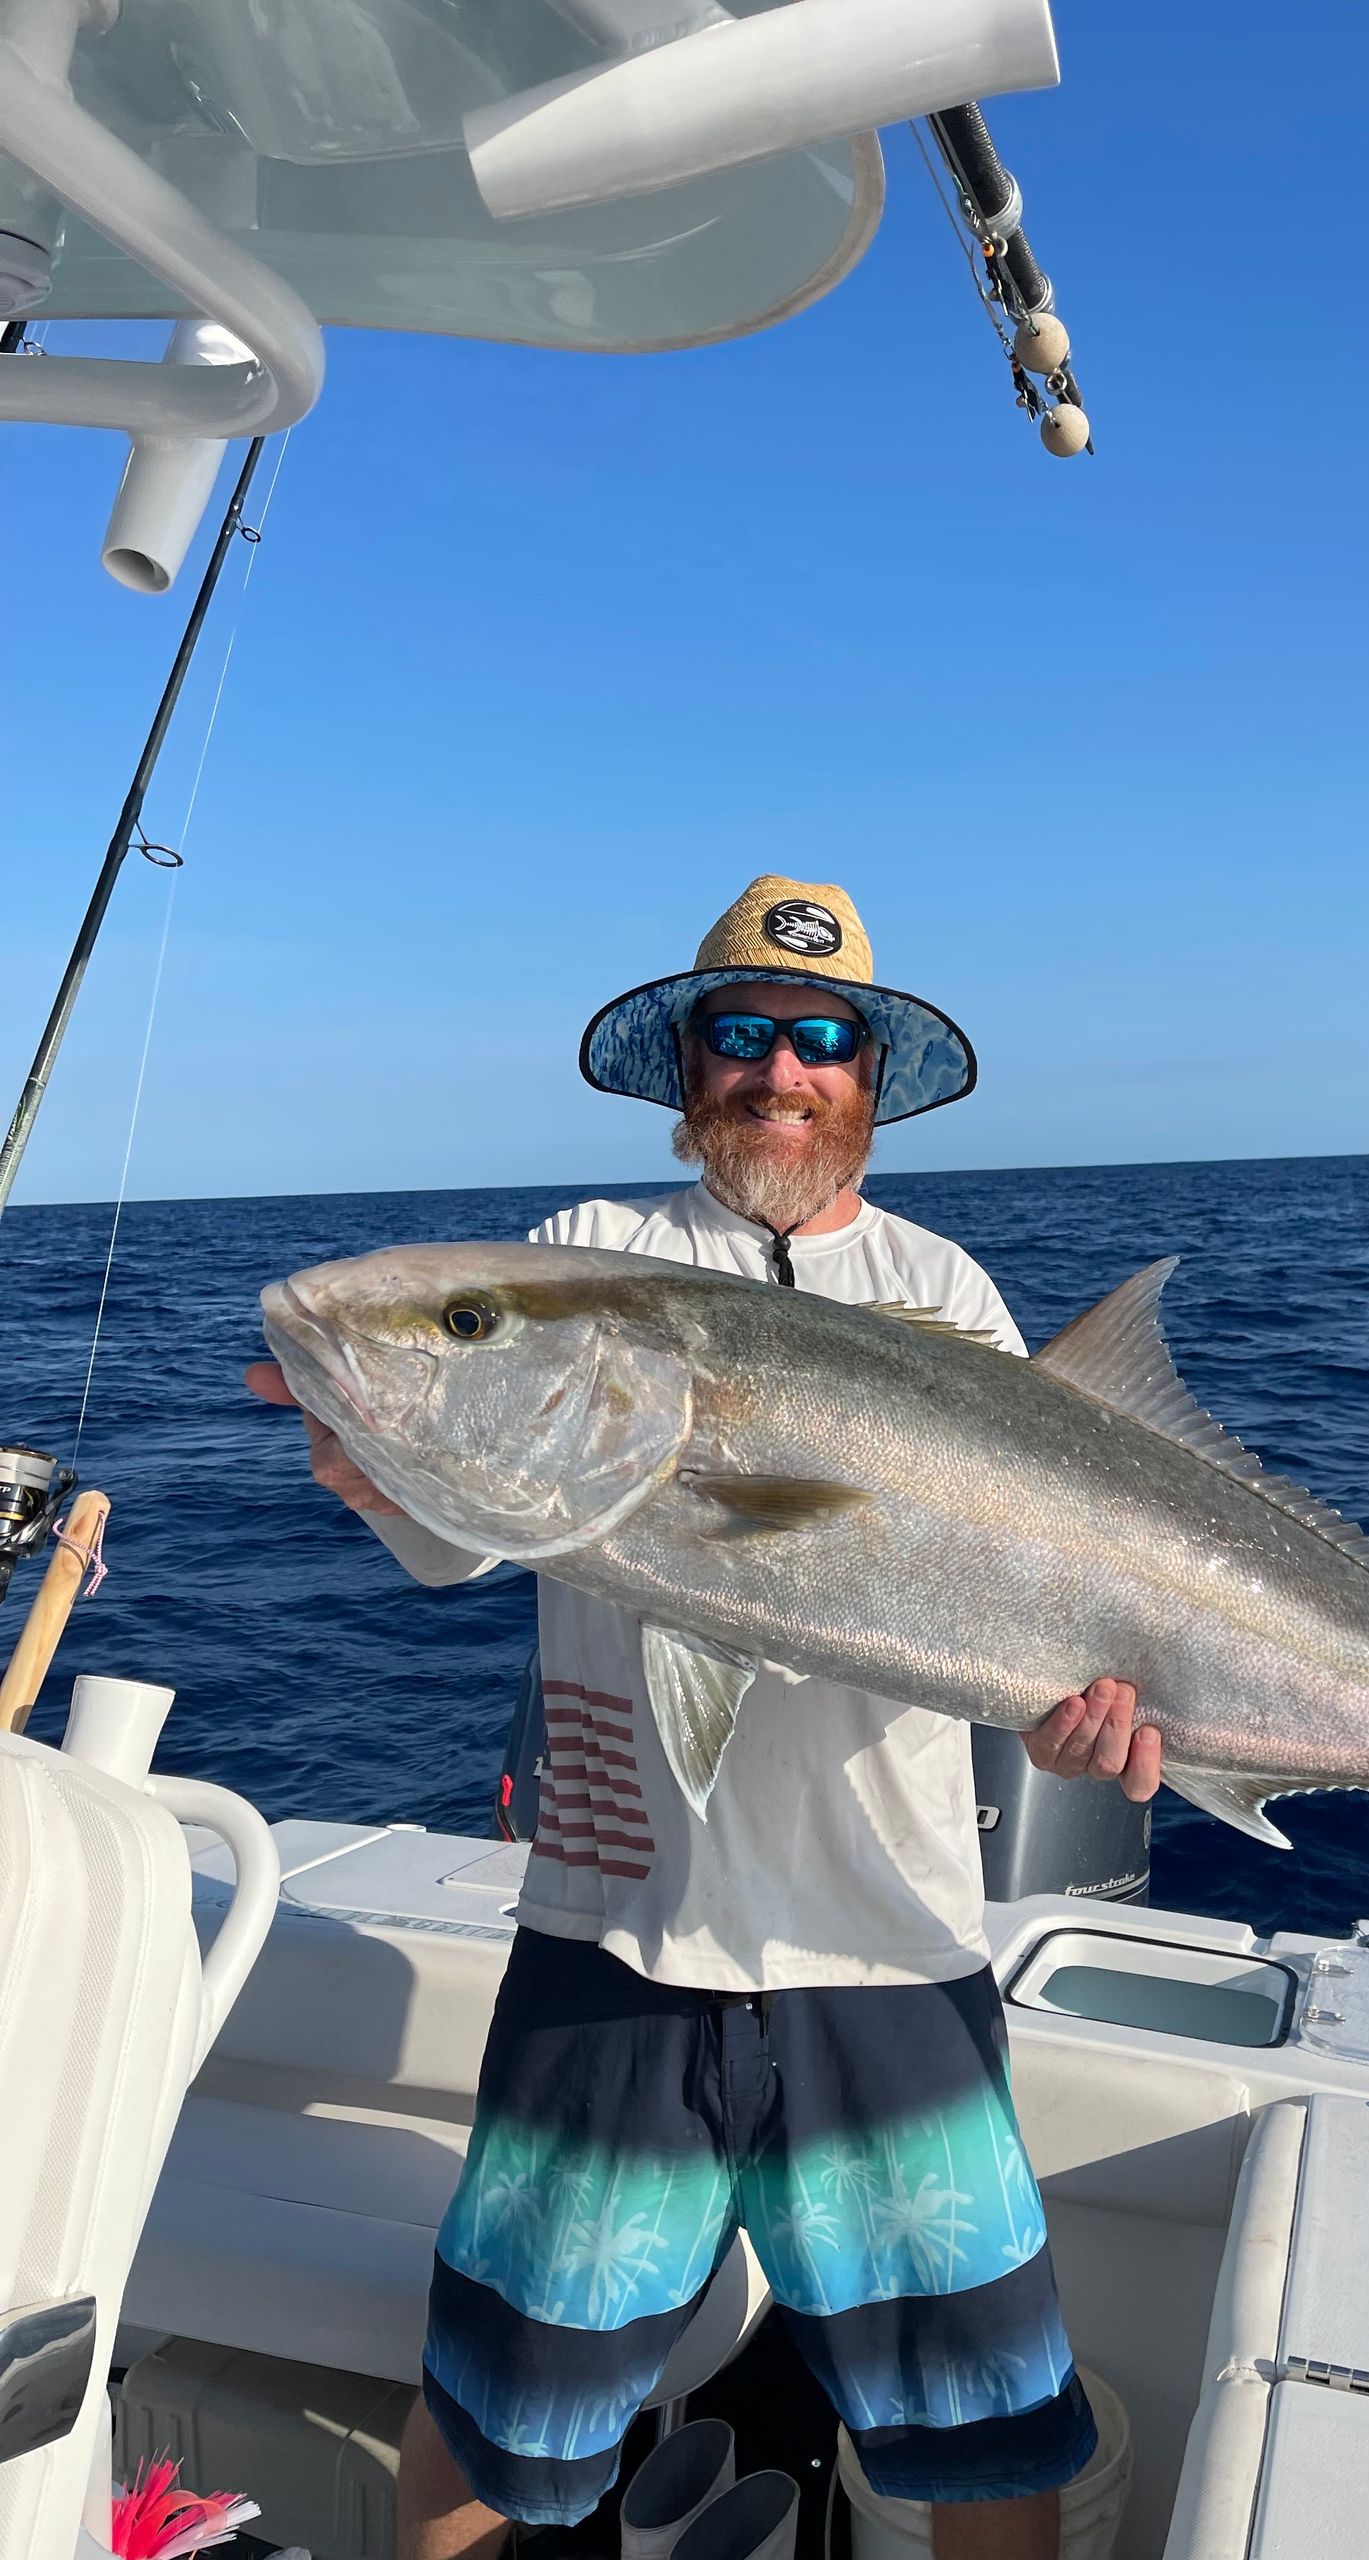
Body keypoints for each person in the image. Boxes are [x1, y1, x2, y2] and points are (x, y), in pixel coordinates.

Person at [247, 876, 1161, 2560]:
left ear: (869, 1080)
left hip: (892, 1952)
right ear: (689, 1070)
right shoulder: (588, 1261)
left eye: (824, 1040)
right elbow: (459, 1539)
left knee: (987, 2441)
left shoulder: (947, 1291)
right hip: (616, 1949)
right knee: (490, 2425)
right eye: (742, 1034)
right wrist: (376, 1447)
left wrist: (1073, 1726)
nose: (781, 1070)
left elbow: (1032, 1616)